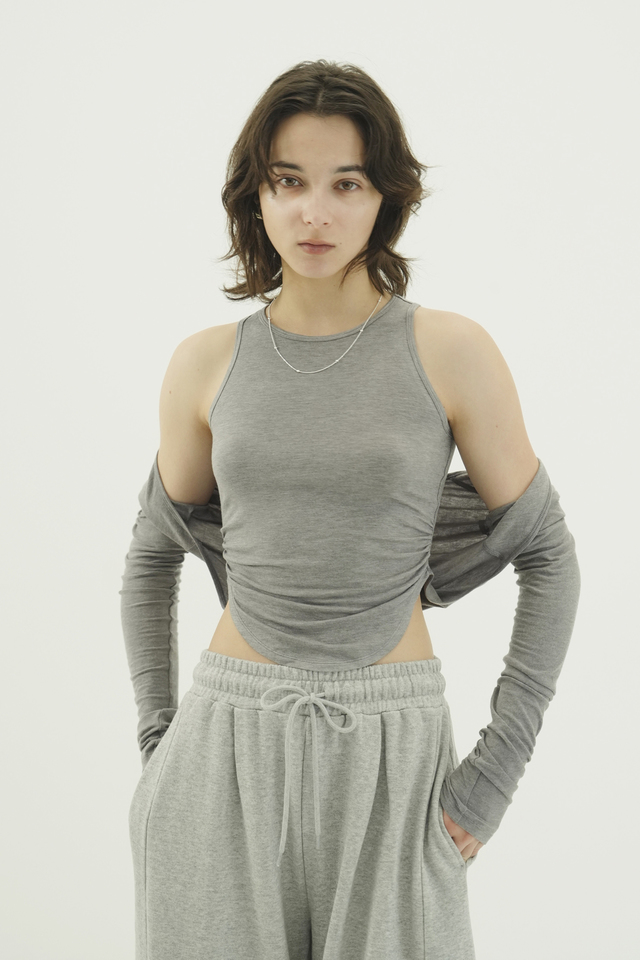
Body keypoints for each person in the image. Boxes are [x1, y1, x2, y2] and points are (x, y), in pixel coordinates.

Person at [121, 59, 580, 960]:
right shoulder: (206, 362)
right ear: (255, 195)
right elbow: (150, 554)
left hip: (391, 749)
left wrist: (493, 777)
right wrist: (159, 745)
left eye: (347, 184)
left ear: (386, 199)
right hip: (223, 743)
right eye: (288, 181)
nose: (315, 214)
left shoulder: (448, 349)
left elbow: (549, 556)